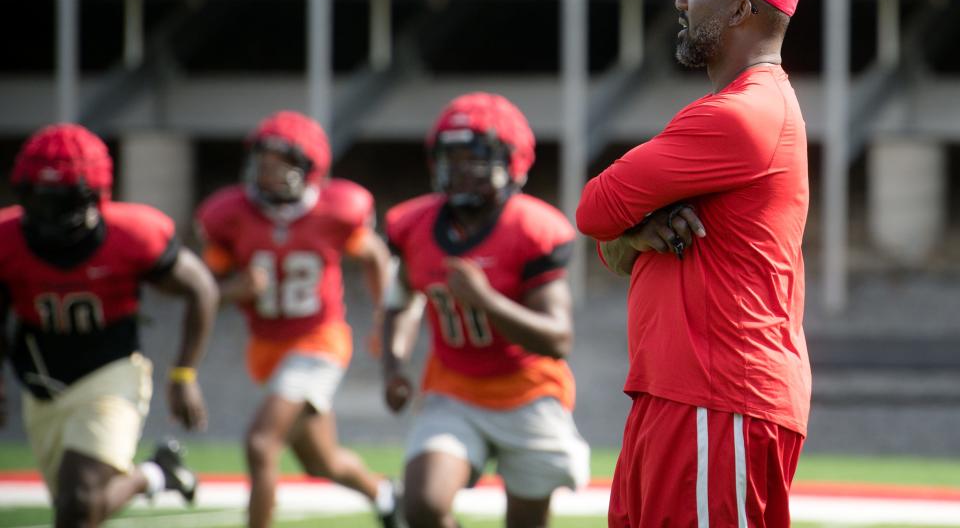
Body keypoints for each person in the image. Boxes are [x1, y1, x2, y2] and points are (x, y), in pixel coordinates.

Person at [576, 0, 811, 527]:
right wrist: (636, 234)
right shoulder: (742, 109)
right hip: (685, 391)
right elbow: (612, 243)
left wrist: (624, 227)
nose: (681, 2)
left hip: (717, 393)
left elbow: (594, 208)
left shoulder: (739, 114)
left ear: (741, 9)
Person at [382, 92, 590, 528]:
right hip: (453, 388)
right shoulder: (415, 226)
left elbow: (558, 338)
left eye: (473, 156)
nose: (459, 169)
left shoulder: (532, 228)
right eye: (451, 156)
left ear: (510, 161)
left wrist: (486, 300)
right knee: (422, 505)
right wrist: (393, 364)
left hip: (528, 391)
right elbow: (401, 300)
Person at [0, 123, 217, 527]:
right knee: (79, 510)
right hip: (41, 380)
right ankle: (154, 475)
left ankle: (151, 475)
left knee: (78, 503)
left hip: (111, 372)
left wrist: (185, 373)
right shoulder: (6, 238)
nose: (49, 215)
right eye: (39, 200)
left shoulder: (131, 234)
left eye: (61, 201)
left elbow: (201, 287)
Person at [194, 110, 402, 528]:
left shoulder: (335, 210)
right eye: (263, 159)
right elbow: (203, 291)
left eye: (281, 161)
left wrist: (383, 316)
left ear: (309, 169)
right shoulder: (231, 214)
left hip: (319, 340)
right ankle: (387, 497)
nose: (267, 169)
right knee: (322, 462)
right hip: (267, 348)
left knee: (260, 443)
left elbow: (375, 256)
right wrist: (236, 289)